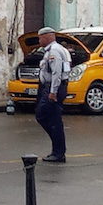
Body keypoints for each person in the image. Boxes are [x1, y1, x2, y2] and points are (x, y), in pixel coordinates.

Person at [36, 26, 71, 162]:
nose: (39, 40)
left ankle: (59, 151)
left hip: (54, 88)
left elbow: (56, 72)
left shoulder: (54, 51)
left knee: (46, 116)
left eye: (40, 38)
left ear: (47, 37)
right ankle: (58, 148)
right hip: (51, 87)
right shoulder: (54, 50)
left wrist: (53, 92)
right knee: (50, 118)